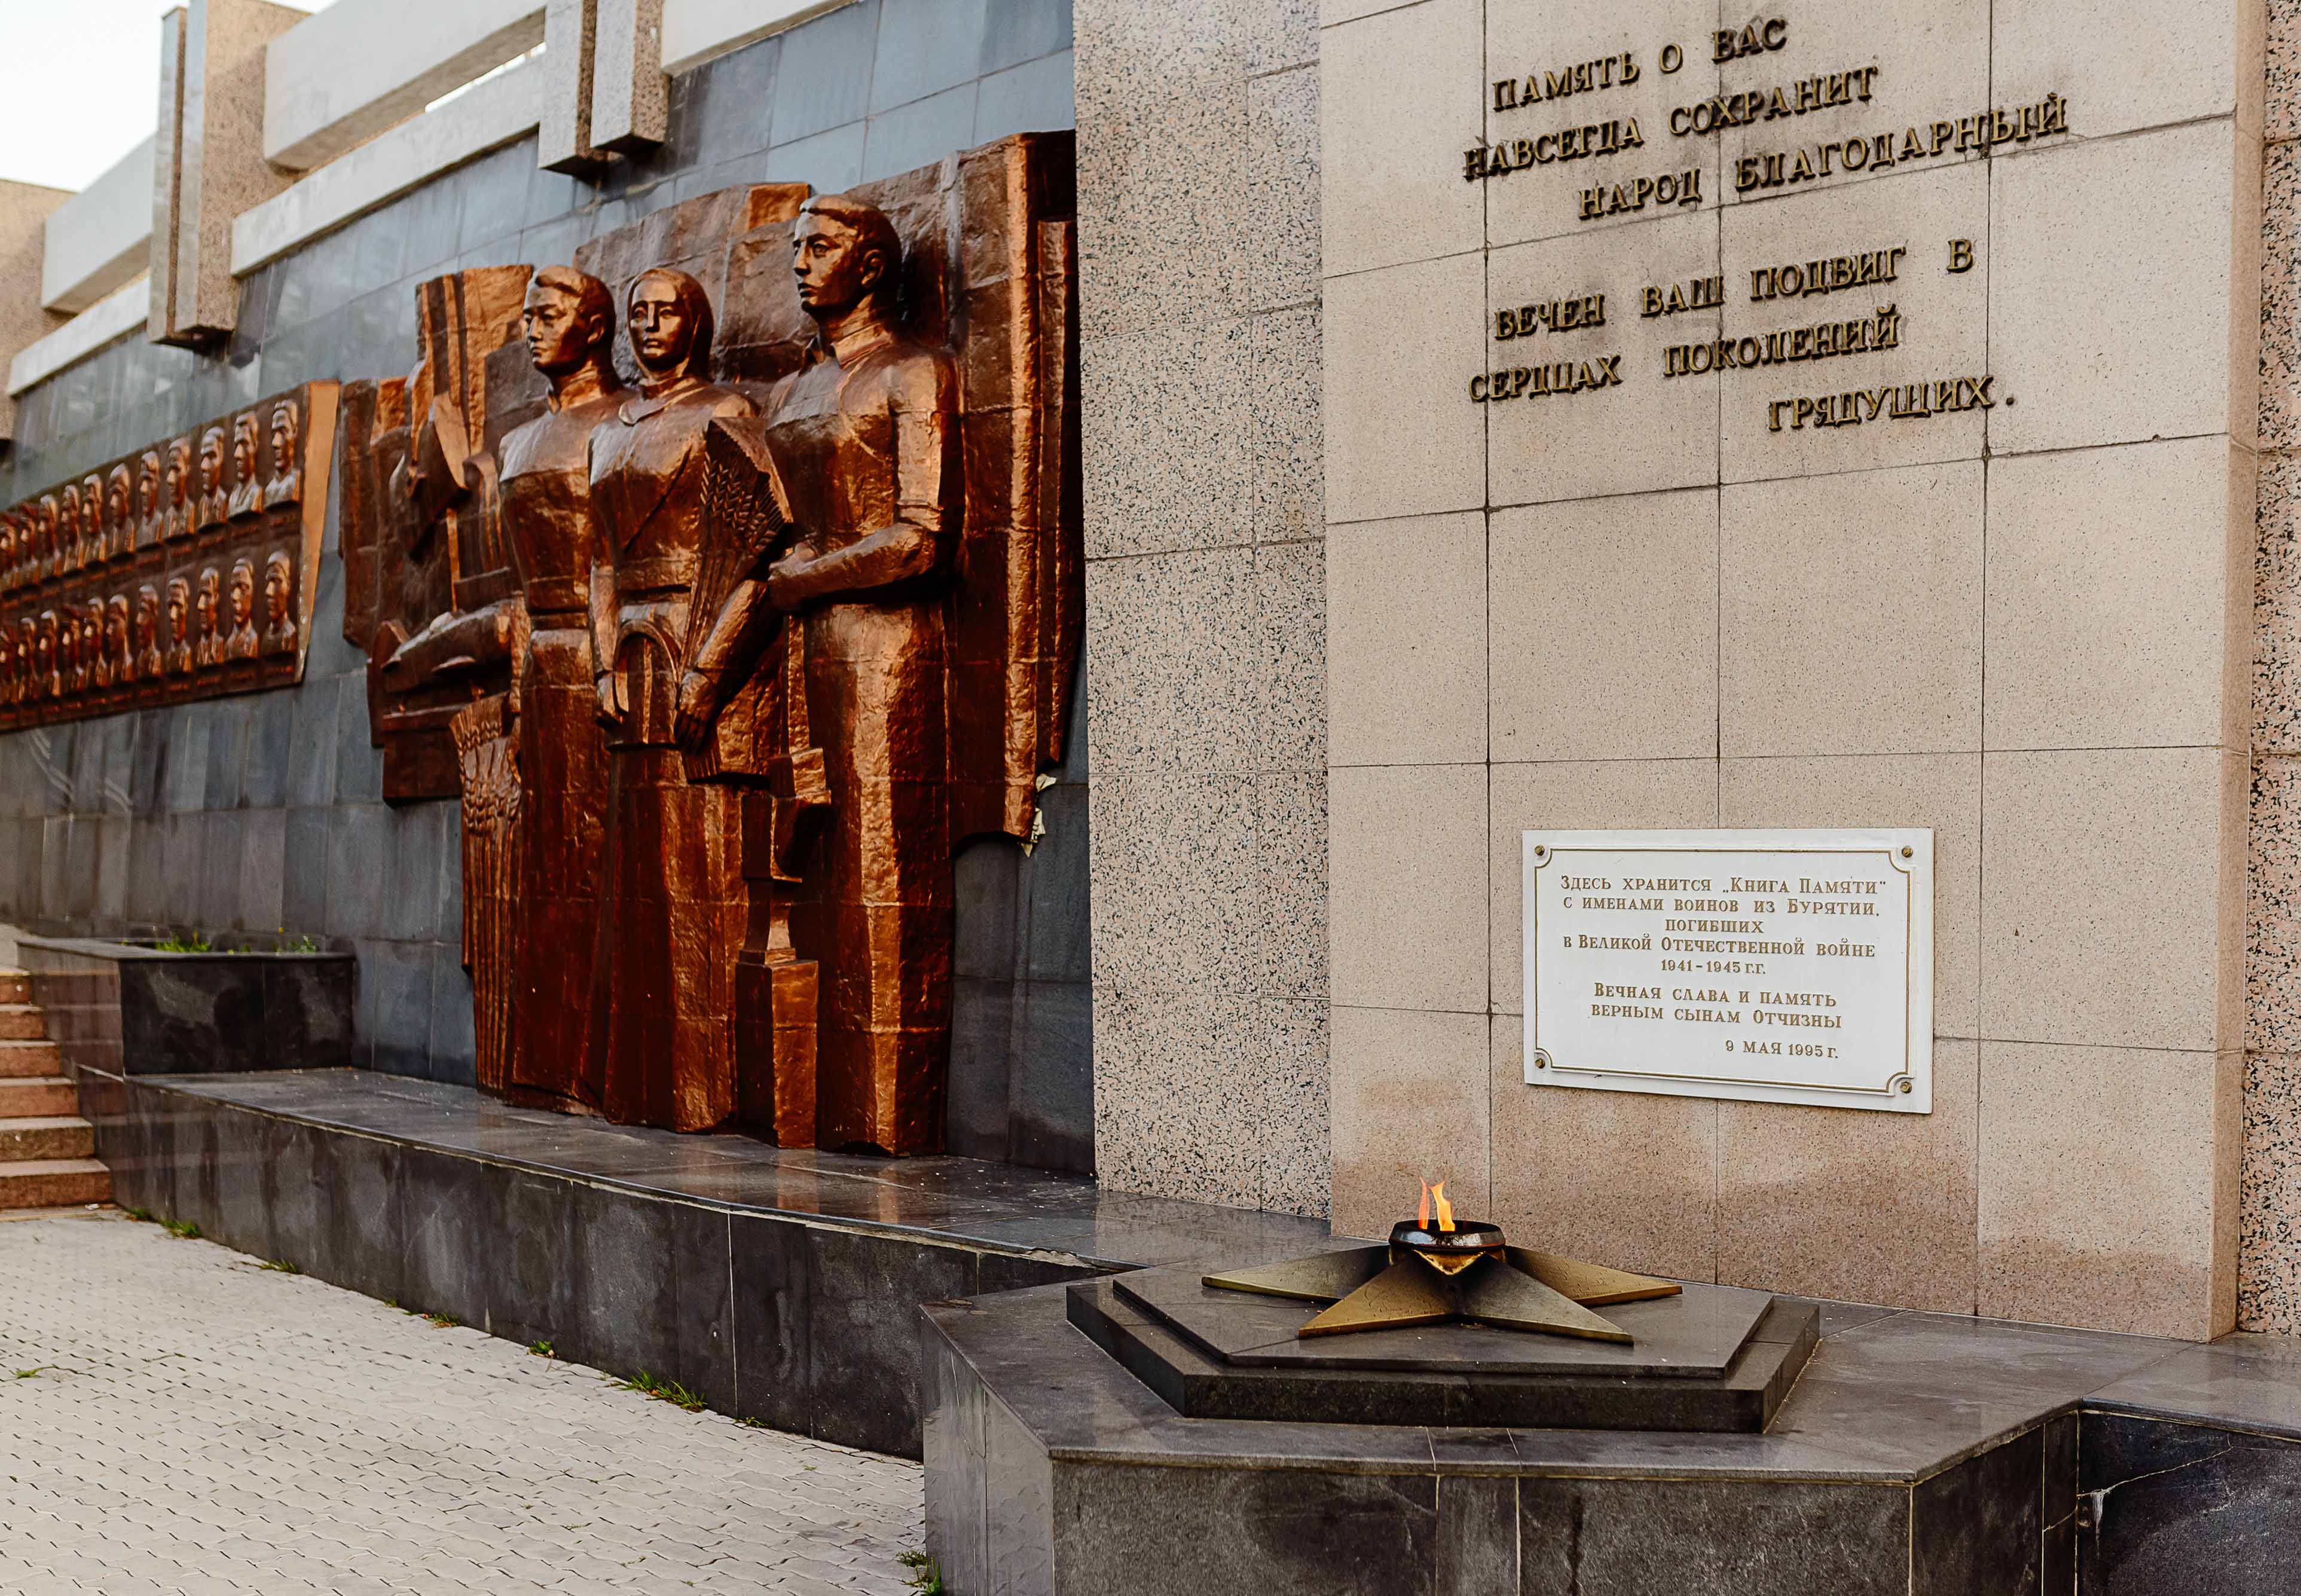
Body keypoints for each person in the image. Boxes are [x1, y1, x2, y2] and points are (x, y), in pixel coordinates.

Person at [683, 194, 962, 1155]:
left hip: (883, 654)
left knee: (876, 875)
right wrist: (710, 668)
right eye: (795, 249)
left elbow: (923, 536)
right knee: (799, 876)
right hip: (798, 648)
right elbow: (769, 547)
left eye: (821, 248)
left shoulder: (913, 372)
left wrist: (806, 580)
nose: (800, 264)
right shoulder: (796, 393)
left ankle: (879, 1113)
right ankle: (803, 1108)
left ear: (871, 265)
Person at [383, 267, 627, 1106]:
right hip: (543, 673)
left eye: (549, 315)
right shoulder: (518, 445)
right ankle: (550, 1068)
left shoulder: (627, 422)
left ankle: (605, 1069)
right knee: (547, 876)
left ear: (595, 328)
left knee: (601, 869)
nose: (532, 329)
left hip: (609, 663)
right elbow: (519, 594)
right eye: (527, 316)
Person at [585, 267, 756, 1132]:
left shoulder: (724, 411)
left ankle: (703, 1091)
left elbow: (758, 549)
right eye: (639, 313)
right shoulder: (606, 432)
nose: (650, 325)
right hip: (628, 659)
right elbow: (599, 559)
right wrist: (601, 664)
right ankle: (637, 1085)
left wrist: (707, 669)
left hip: (694, 642)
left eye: (667, 312)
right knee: (636, 879)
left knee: (697, 873)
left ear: (698, 323)